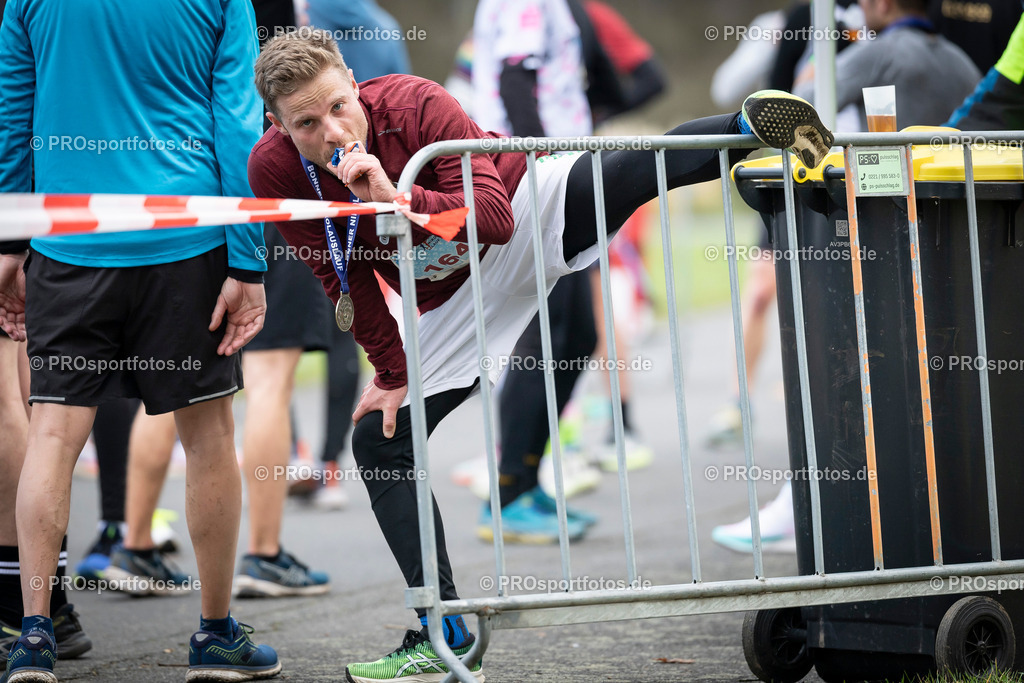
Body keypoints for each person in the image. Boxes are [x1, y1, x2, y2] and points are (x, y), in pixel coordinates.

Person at [247, 28, 832, 681]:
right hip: (452, 295)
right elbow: (341, 275)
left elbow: (494, 218)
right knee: (378, 438)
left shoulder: (416, 101)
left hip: (522, 207)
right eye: (307, 121)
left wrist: (395, 198)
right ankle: (443, 630)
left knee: (632, 168)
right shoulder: (271, 169)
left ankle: (751, 126)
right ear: (277, 124)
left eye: (338, 105)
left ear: (353, 81)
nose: (332, 128)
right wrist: (390, 372)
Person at [0, 1, 281, 681]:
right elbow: (237, 118)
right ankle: (216, 635)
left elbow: (14, 109)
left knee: (53, 435)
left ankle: (33, 633)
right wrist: (248, 259)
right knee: (208, 436)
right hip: (186, 240)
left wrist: (10, 238)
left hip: (69, 240)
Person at [471, 0, 601, 544]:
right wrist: (542, 166)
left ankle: (525, 474)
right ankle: (508, 492)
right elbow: (512, 79)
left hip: (557, 173)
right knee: (548, 338)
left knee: (578, 335)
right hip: (540, 181)